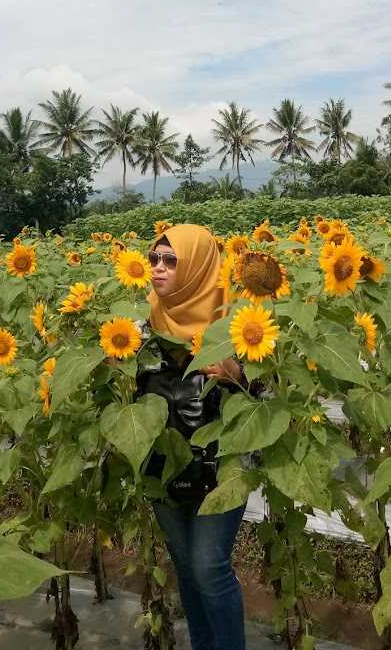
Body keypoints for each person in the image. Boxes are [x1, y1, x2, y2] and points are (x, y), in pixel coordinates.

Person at [136, 223, 247, 650]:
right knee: (185, 565)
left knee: (208, 566)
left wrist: (238, 375)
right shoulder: (142, 322)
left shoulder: (235, 319)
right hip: (164, 464)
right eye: (153, 260)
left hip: (223, 466)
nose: (158, 270)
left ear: (199, 267)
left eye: (170, 261)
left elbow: (270, 391)